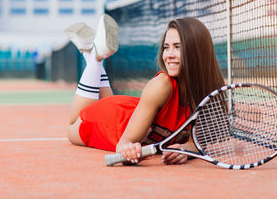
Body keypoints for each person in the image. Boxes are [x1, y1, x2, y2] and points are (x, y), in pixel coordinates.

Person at [65, 14, 224, 165]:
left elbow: (195, 143)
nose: (168, 55)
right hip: (108, 121)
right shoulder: (161, 85)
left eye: (177, 47)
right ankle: (95, 57)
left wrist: (185, 150)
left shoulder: (210, 92)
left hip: (125, 113)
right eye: (166, 47)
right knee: (72, 127)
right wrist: (129, 151)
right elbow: (124, 144)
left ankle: (90, 52)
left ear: (196, 51)